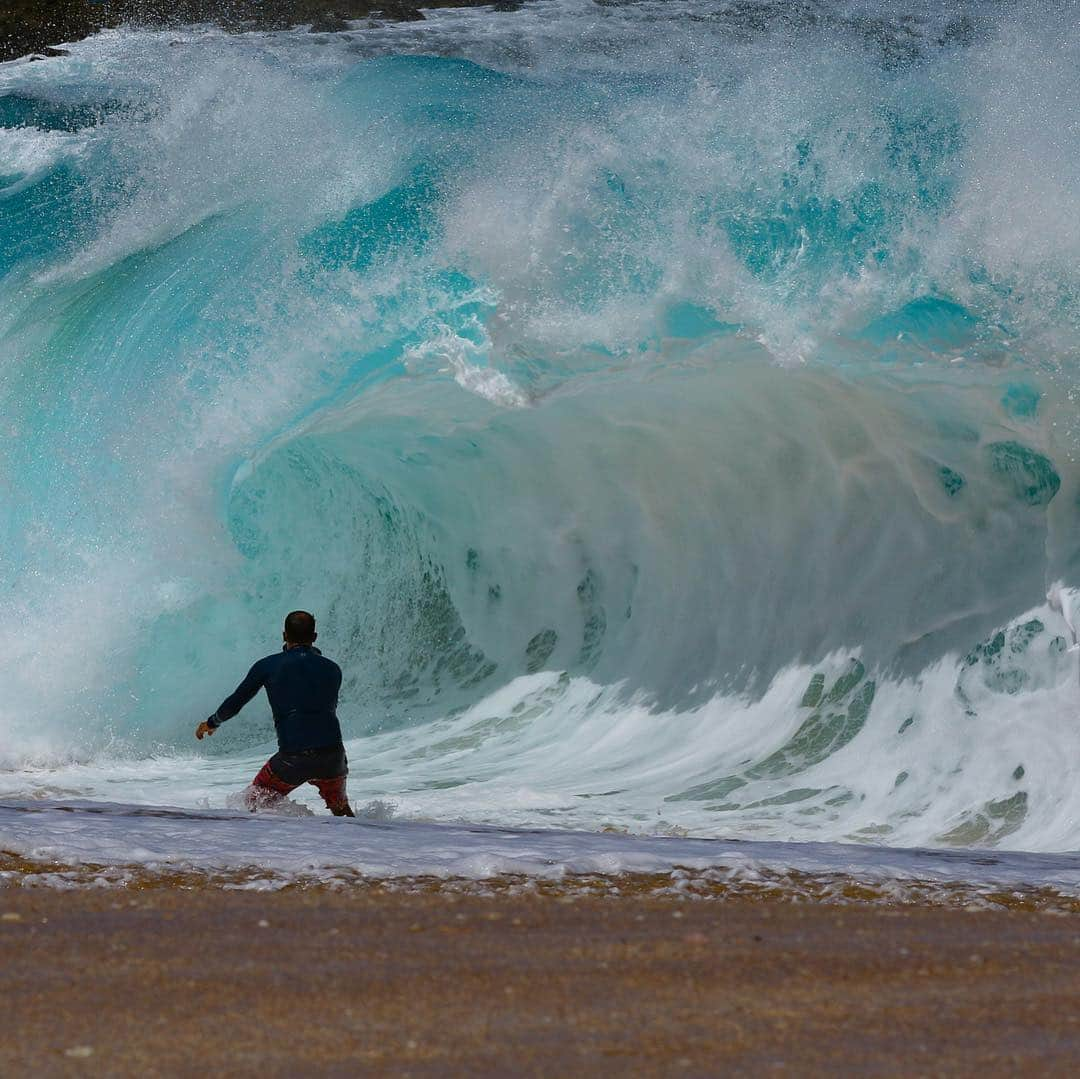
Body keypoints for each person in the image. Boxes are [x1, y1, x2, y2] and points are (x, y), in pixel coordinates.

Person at [196, 611, 355, 817]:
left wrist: (212, 722)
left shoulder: (268, 666)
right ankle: (367, 842)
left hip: (292, 759)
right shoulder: (333, 669)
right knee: (341, 812)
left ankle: (266, 848)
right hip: (333, 757)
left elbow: (237, 701)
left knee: (252, 804)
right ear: (314, 637)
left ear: (284, 635)